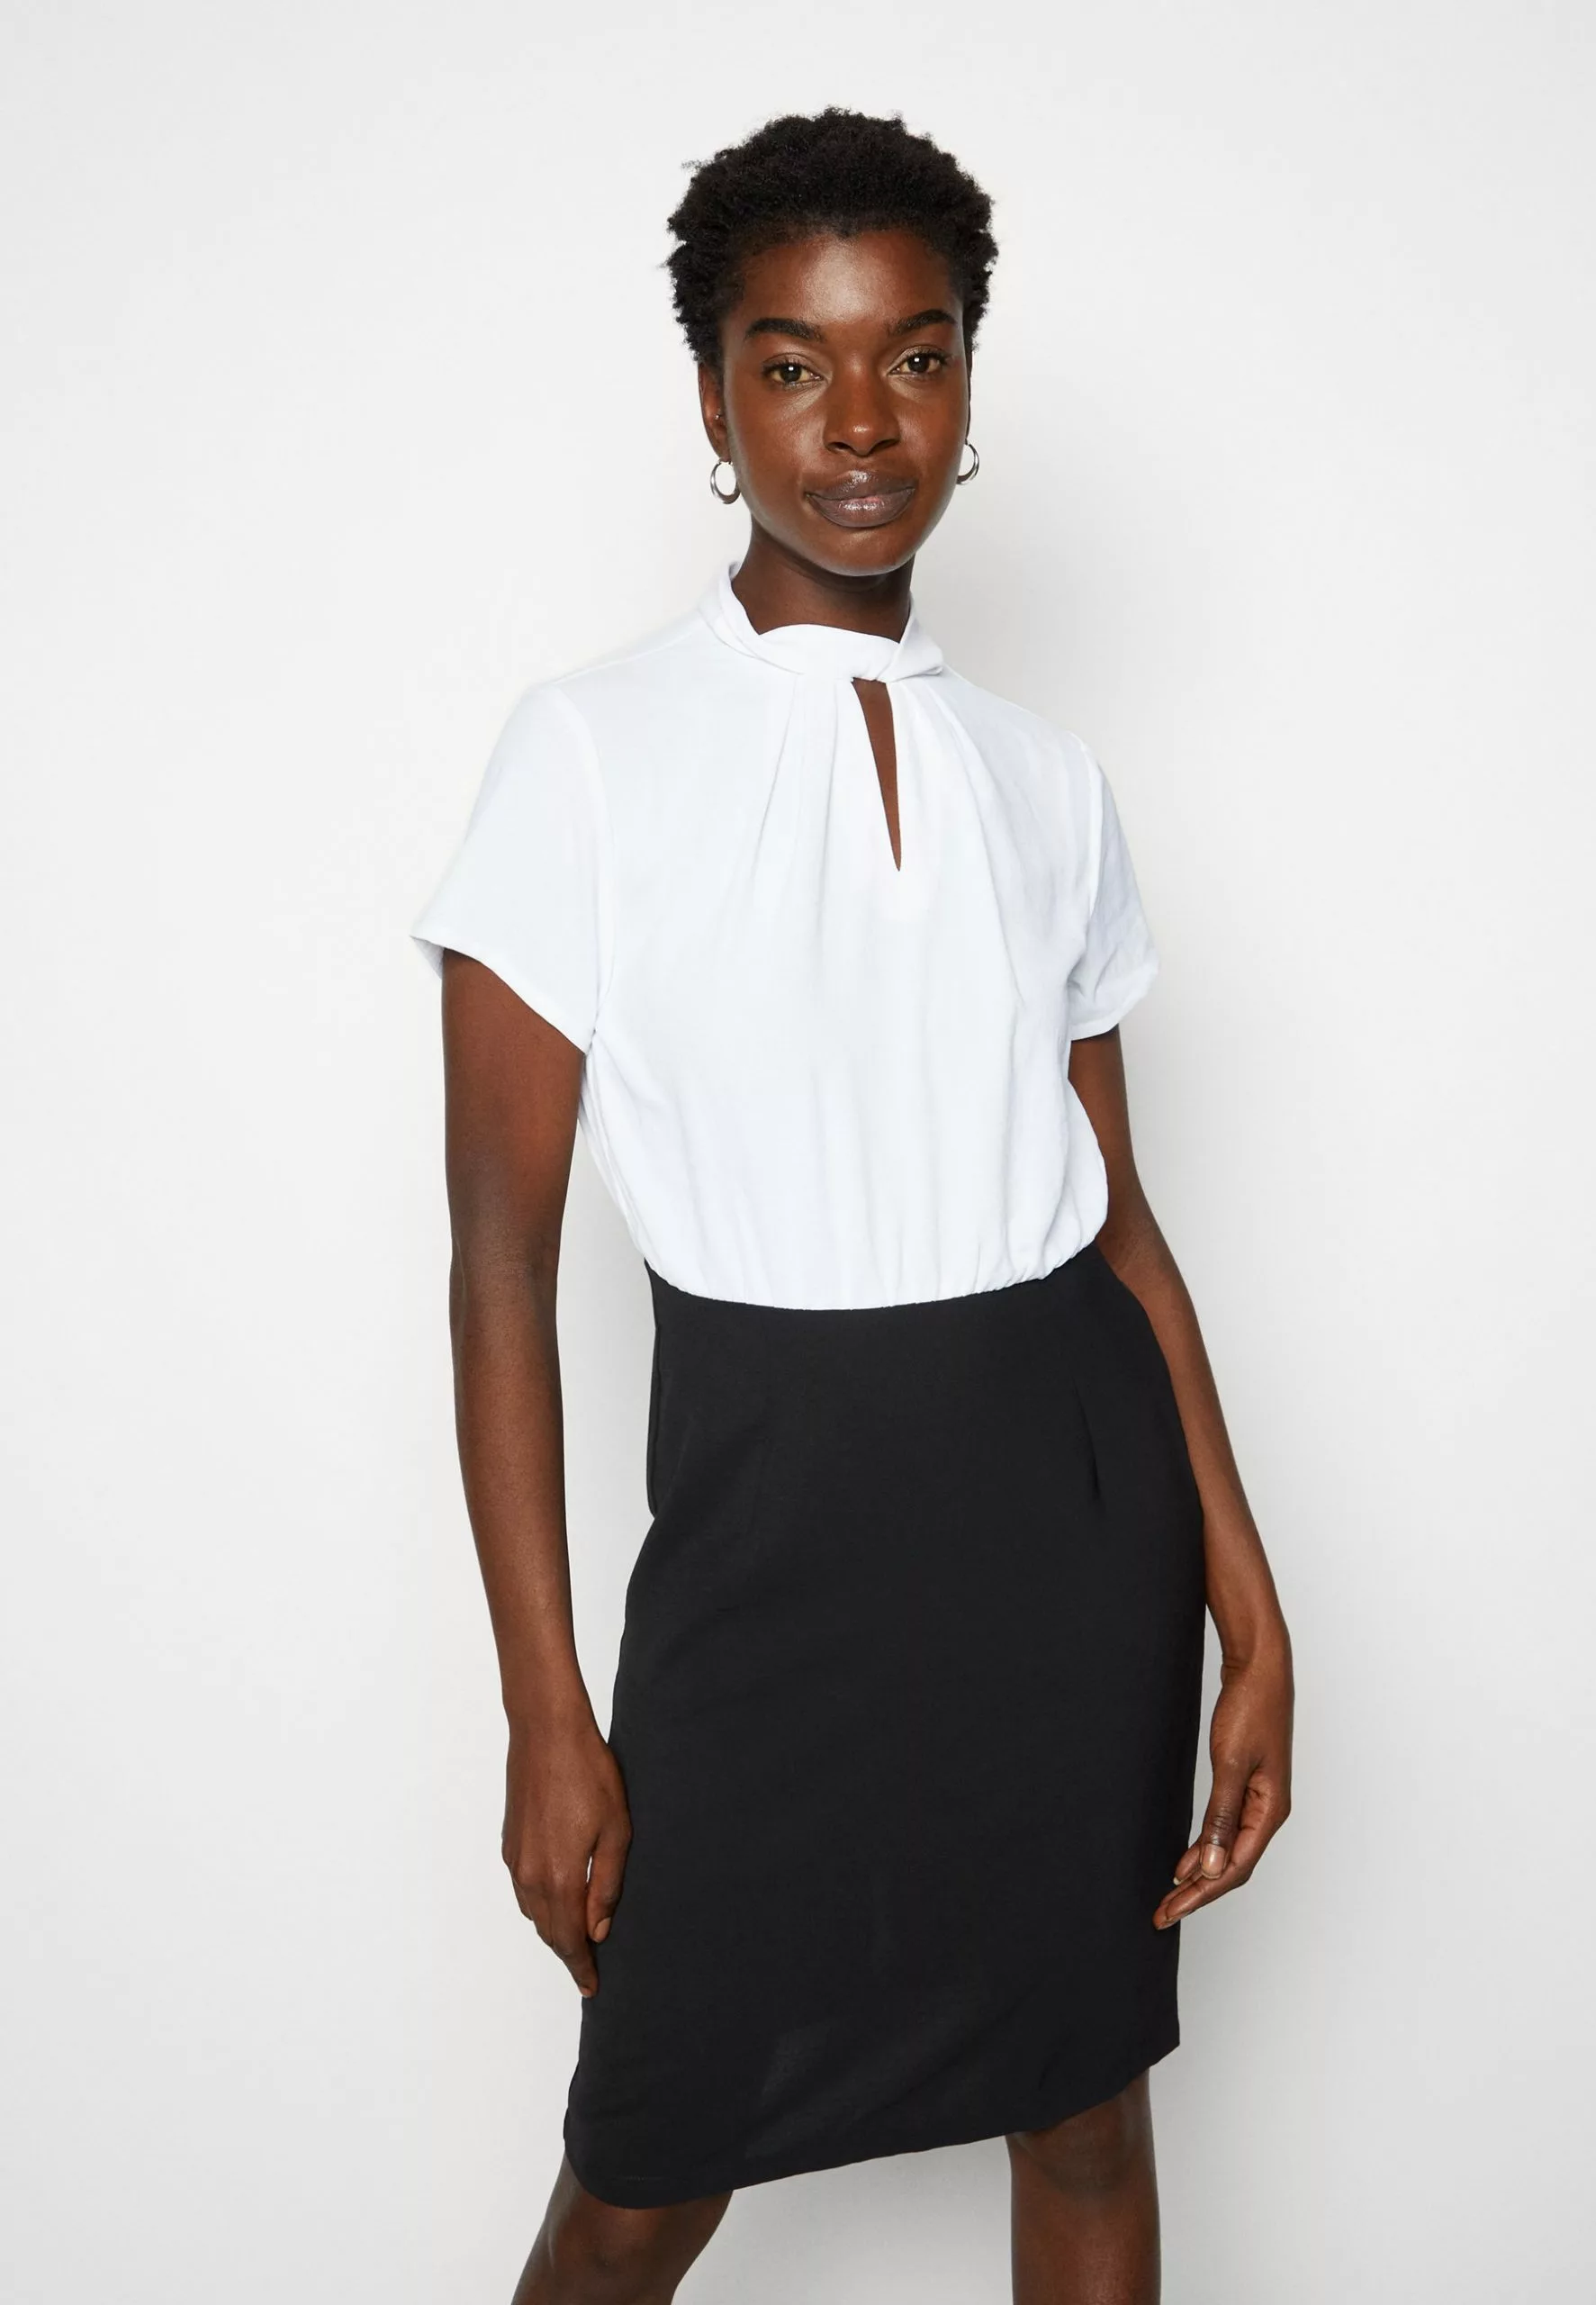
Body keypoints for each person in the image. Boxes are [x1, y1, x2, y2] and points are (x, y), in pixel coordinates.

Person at [410, 105, 1294, 2305]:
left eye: (914, 353)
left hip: (1068, 1532)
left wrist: (1247, 1593)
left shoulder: (1047, 781)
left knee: (1082, 2103)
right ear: (713, 402)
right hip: (769, 1527)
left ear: (970, 386)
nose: (861, 421)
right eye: (791, 363)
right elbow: (502, 1263)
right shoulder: (587, 752)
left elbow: (1118, 1224)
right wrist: (546, 1707)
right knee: (644, 2166)